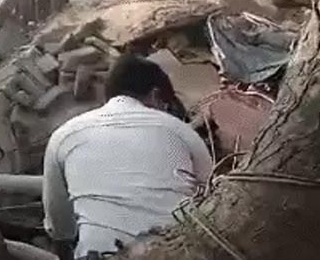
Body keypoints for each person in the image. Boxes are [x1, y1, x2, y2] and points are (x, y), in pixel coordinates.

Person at [43, 54, 211, 260]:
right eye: (167, 105)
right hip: (177, 251)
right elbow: (211, 200)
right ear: (156, 96)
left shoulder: (63, 135)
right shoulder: (180, 130)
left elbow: (59, 228)